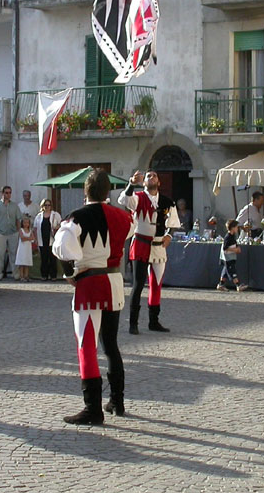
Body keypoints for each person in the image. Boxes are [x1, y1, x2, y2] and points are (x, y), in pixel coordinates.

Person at [53, 169, 136, 424]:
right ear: (107, 191)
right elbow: (131, 229)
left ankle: (93, 408)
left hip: (90, 284)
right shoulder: (122, 217)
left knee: (87, 346)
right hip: (114, 282)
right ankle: (117, 401)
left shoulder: (76, 218)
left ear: (85, 190)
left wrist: (69, 272)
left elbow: (61, 247)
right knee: (111, 344)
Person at [119, 170, 180, 335]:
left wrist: (169, 235)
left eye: (154, 176)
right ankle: (133, 323)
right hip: (141, 243)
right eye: (148, 176)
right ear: (144, 182)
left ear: (159, 182)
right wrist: (131, 184)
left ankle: (154, 321)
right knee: (138, 284)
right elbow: (124, 200)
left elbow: (173, 222)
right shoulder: (137, 198)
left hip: (158, 246)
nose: (151, 177)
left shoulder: (167, 202)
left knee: (156, 284)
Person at [0, 185, 19, 279]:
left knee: (14, 253)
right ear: (2, 193)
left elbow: (18, 219)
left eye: (10, 193)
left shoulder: (14, 205)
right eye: (6, 193)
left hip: (13, 232)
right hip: (0, 232)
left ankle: (16, 273)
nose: (8, 194)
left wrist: (18, 231)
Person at [34, 199, 62, 280]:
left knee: (53, 258)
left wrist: (56, 227)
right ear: (42, 206)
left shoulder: (55, 215)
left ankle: (53, 276)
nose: (47, 207)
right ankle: (44, 275)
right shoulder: (38, 216)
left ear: (51, 206)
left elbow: (61, 223)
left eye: (48, 205)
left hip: (52, 239)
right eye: (45, 205)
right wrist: (36, 239)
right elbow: (35, 228)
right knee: (44, 259)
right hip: (42, 239)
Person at [217, 219, 247, 291]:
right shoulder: (228, 237)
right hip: (228, 258)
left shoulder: (233, 236)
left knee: (225, 271)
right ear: (232, 228)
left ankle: (221, 284)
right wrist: (235, 250)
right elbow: (225, 248)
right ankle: (238, 285)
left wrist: (237, 247)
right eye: (236, 227)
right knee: (232, 271)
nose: (237, 228)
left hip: (231, 257)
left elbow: (234, 243)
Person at [15, 216, 36, 281]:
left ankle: (26, 276)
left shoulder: (30, 230)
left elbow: (33, 238)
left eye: (27, 223)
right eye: (24, 222)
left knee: (27, 263)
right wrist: (29, 238)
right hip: (22, 248)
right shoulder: (21, 230)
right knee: (22, 263)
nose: (26, 224)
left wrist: (27, 238)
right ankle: (21, 276)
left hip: (27, 249)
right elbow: (22, 238)